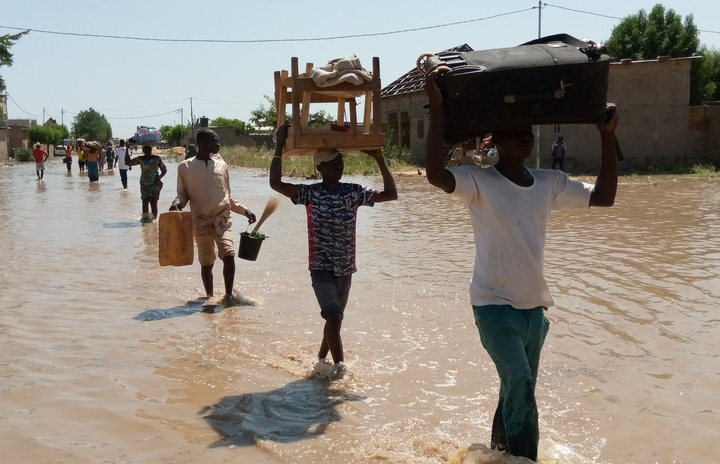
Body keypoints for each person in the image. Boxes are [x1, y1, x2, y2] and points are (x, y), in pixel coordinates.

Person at [424, 67, 619, 462]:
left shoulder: (549, 182)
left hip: (533, 311)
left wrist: (607, 135)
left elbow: (604, 198)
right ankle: (525, 459)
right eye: (515, 130)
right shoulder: (478, 181)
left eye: (528, 128)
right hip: (493, 306)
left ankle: (499, 453)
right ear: (495, 141)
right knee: (521, 382)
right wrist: (438, 111)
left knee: (515, 388)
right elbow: (434, 175)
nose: (525, 134)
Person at [269, 125, 398, 377]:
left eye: (340, 163)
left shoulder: (353, 192)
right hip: (321, 268)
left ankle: (319, 361)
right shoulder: (310, 193)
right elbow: (276, 183)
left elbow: (391, 194)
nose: (339, 167)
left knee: (334, 320)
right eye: (332, 163)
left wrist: (380, 160)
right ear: (320, 168)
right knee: (335, 317)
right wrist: (278, 146)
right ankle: (340, 370)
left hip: (346, 268)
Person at [169, 129, 257, 302]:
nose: (219, 144)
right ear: (203, 143)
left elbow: (227, 196)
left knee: (229, 254)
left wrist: (245, 210)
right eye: (215, 141)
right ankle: (209, 297)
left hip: (222, 219)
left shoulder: (222, 166)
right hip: (200, 221)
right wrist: (176, 204)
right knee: (206, 262)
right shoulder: (185, 167)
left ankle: (229, 295)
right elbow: (182, 194)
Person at [125, 144, 167, 221]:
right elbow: (127, 162)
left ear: (151, 150)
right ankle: (145, 221)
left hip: (155, 184)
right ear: (143, 151)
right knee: (145, 202)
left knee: (154, 203)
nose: (148, 151)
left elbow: (164, 170)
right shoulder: (140, 159)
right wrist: (127, 149)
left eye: (149, 150)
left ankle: (154, 221)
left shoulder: (157, 158)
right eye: (146, 150)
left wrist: (159, 177)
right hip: (144, 185)